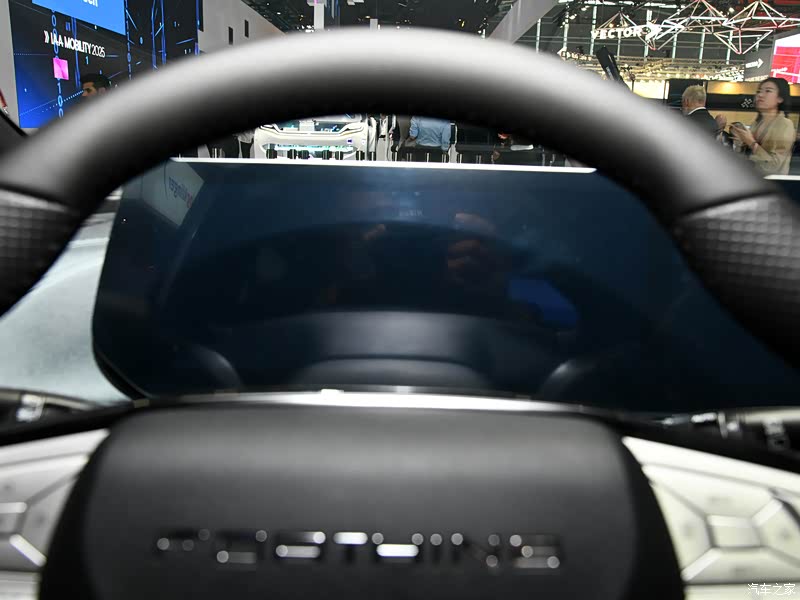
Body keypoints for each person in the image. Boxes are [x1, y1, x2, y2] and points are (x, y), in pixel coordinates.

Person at [731, 77, 796, 176]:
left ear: (780, 98)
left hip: (771, 182)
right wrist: (740, 143)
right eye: (758, 91)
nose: (760, 95)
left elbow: (774, 167)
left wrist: (751, 142)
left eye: (768, 91)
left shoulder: (785, 124)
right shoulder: (757, 123)